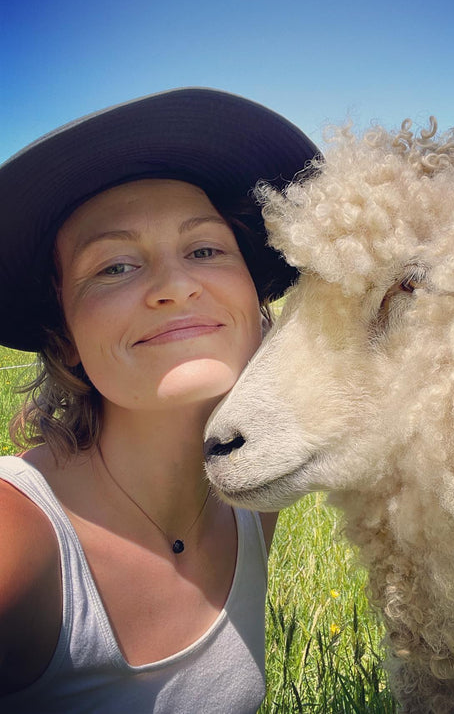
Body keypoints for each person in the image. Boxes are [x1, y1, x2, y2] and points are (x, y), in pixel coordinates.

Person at [0, 88, 318, 713]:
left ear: (255, 297)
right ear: (63, 338)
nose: (175, 285)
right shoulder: (17, 541)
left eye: (204, 250)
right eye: (115, 267)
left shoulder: (252, 501)